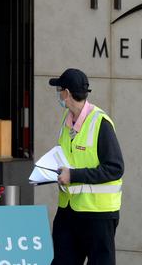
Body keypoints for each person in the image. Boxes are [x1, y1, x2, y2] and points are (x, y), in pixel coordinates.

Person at [48, 68, 124, 265]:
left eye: (59, 90)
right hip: (69, 211)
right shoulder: (67, 121)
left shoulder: (100, 123)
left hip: (98, 214)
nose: (58, 95)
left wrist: (73, 176)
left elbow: (115, 168)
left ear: (66, 93)